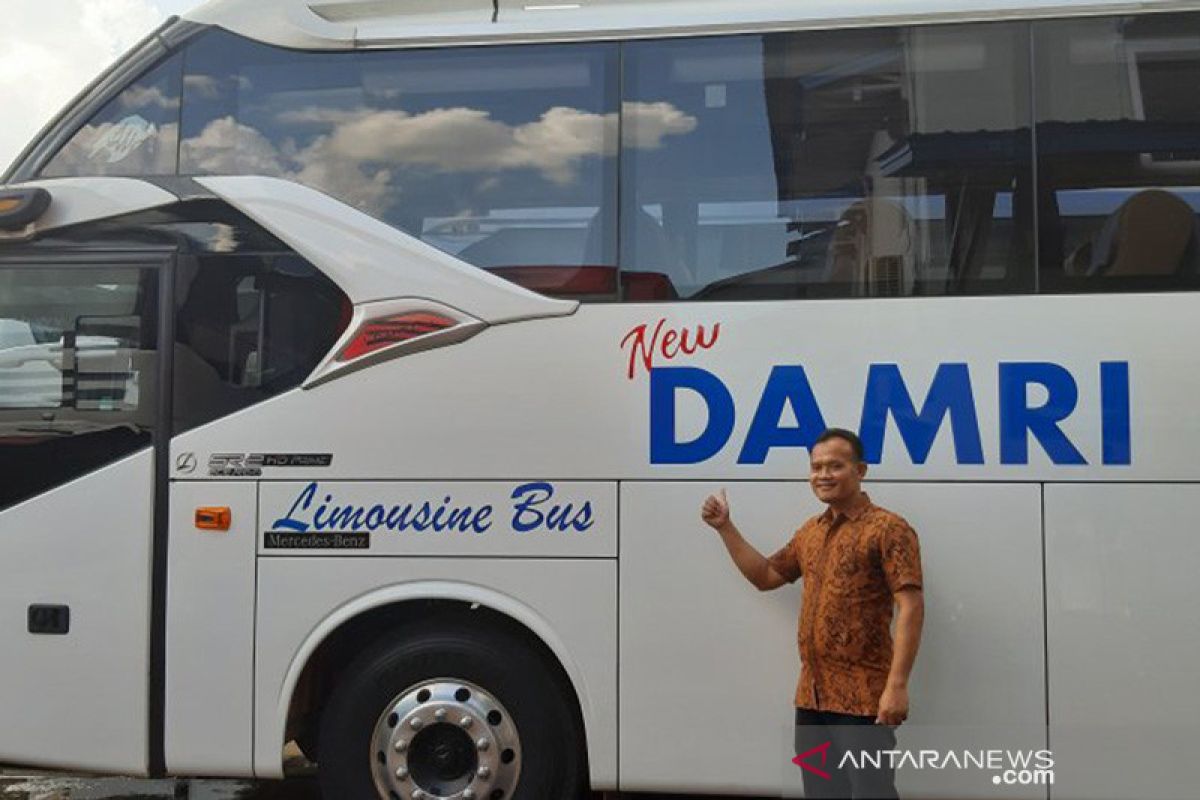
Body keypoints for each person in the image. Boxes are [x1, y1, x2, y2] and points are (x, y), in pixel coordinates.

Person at [700, 427, 924, 799]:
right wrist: (725, 527)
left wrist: (897, 686)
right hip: (811, 700)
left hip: (863, 701)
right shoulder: (811, 532)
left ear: (861, 470)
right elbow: (767, 575)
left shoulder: (888, 529)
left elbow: (911, 605)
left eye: (835, 465)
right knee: (819, 793)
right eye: (816, 466)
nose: (823, 474)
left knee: (873, 793)